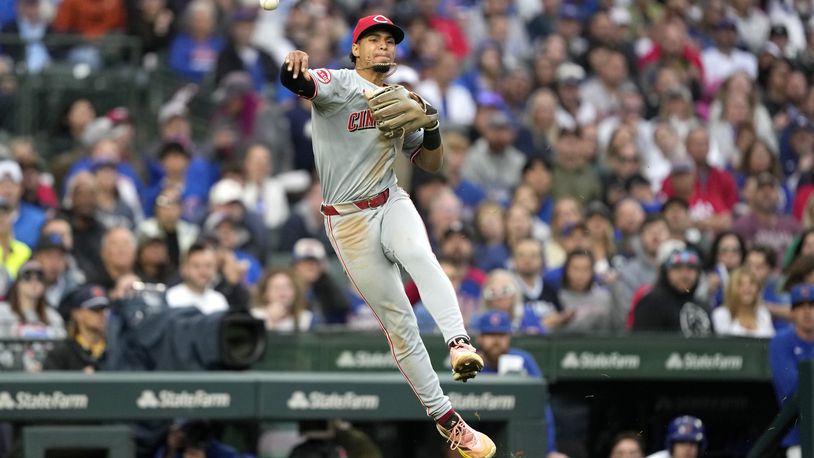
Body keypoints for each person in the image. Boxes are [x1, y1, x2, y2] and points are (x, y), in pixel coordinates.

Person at [281, 14, 495, 457]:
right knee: (399, 324)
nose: (383, 46)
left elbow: (431, 164)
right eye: (373, 39)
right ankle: (448, 420)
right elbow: (300, 83)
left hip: (389, 198)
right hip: (347, 220)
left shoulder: (402, 97)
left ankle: (459, 343)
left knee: (420, 253)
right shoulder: (338, 83)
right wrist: (293, 65)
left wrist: (431, 124)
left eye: (389, 41)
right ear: (355, 49)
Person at [475, 310, 567, 458]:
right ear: (479, 338)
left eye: (501, 335)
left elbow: (541, 405)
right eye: (490, 335)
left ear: (509, 337)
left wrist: (549, 450)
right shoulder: (469, 363)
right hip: (480, 435)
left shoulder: (523, 360)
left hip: (517, 435)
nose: (496, 341)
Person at [768, 283, 814, 458]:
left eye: (812, 305)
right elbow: (793, 389)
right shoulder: (781, 341)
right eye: (800, 306)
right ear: (792, 312)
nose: (807, 311)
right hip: (798, 439)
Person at [632, 248, 713, 336]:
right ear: (666, 272)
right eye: (677, 267)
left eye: (691, 268)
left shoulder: (703, 305)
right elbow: (641, 344)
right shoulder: (652, 302)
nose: (684, 274)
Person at [43, 284, 110, 372]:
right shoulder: (61, 353)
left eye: (104, 309)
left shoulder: (116, 349)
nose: (102, 314)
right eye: (95, 310)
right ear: (77, 314)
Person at [0, 260, 65, 339]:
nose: (34, 281)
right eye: (27, 276)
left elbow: (61, 345)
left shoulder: (53, 317)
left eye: (39, 277)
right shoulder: (2, 312)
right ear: (17, 284)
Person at [165, 242, 229, 315]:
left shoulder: (219, 300)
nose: (203, 271)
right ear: (184, 269)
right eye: (196, 266)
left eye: (208, 266)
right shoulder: (172, 298)